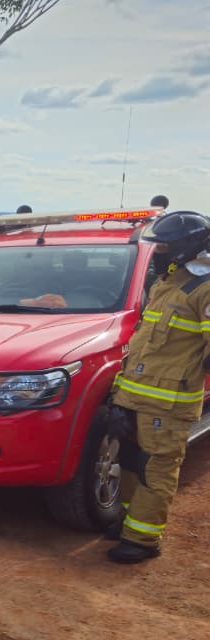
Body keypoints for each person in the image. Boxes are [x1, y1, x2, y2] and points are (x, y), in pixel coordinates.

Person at [107, 211, 210, 564]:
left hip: (168, 404)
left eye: (165, 246)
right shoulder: (169, 283)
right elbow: (144, 343)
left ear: (186, 246)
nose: (159, 252)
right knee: (132, 463)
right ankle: (126, 523)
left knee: (156, 470)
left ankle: (143, 540)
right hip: (134, 394)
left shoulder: (205, 288)